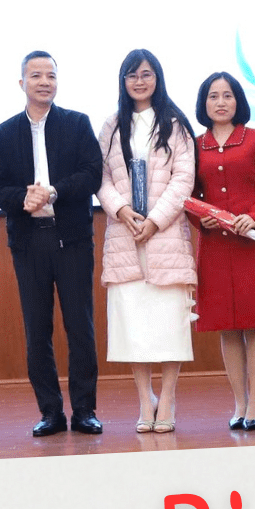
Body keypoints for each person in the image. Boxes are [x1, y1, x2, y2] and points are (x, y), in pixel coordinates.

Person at [0, 50, 104, 437]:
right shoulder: (5, 132)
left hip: (72, 239)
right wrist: (24, 198)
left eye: (51, 75)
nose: (44, 82)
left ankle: (84, 410)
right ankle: (50, 411)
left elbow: (92, 173)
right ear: (22, 83)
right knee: (37, 330)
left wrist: (54, 192)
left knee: (80, 326)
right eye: (36, 75)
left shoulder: (77, 123)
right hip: (28, 241)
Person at [97, 50, 199, 432]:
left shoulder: (175, 124)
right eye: (132, 75)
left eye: (146, 74)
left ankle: (167, 398)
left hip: (165, 235)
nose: (139, 82)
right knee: (133, 325)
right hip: (124, 236)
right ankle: (145, 400)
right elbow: (100, 178)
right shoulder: (111, 126)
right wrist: (121, 210)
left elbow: (184, 178)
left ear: (157, 78)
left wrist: (155, 221)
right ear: (123, 81)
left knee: (170, 324)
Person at [191, 71, 255, 431]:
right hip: (216, 246)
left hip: (253, 245)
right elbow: (189, 195)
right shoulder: (194, 145)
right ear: (203, 103)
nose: (221, 102)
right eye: (213, 96)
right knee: (227, 327)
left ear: (238, 101)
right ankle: (239, 402)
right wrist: (200, 219)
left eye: (228, 95)